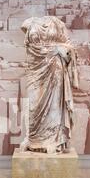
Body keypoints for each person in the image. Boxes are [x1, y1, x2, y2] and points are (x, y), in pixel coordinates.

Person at [20, 16, 79, 154]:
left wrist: (60, 49)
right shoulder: (28, 22)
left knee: (54, 106)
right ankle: (33, 139)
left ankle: (53, 140)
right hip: (35, 69)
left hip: (55, 68)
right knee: (33, 105)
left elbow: (70, 47)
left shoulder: (59, 25)